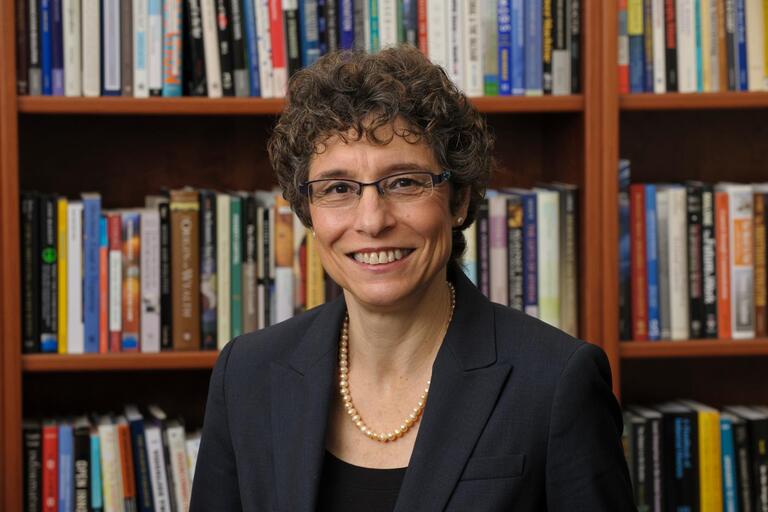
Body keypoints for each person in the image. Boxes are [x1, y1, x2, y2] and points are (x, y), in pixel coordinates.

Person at [189, 45, 636, 512]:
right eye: (338, 189)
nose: (372, 220)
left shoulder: (556, 381)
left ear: (458, 200)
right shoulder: (247, 374)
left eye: (404, 181)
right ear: (308, 211)